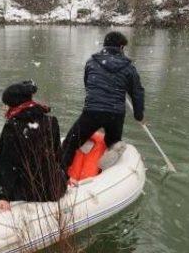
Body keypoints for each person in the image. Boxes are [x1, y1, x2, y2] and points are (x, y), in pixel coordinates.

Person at [61, 31, 145, 177]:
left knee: (71, 142)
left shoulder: (91, 62)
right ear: (121, 47)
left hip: (92, 111)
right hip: (116, 113)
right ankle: (113, 150)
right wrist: (139, 115)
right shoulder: (128, 67)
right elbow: (137, 92)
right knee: (112, 140)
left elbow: (88, 86)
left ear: (105, 45)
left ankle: (61, 172)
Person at [0, 81, 68, 211]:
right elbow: (57, 154)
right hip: (55, 188)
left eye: (6, 105)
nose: (4, 108)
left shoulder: (12, 126)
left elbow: (7, 164)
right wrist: (66, 177)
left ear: (13, 105)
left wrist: (2, 195)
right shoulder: (51, 121)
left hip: (29, 192)